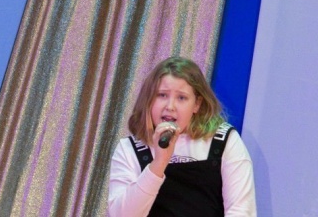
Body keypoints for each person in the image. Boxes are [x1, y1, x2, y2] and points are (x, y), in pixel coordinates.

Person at [108, 57, 256, 216]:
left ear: (197, 104)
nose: (170, 106)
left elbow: (241, 211)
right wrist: (159, 163)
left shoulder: (224, 141)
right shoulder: (129, 148)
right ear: (149, 100)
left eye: (181, 98)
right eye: (162, 95)